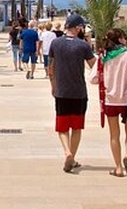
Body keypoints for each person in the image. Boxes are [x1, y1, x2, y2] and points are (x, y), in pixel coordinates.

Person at [48, 13, 96, 173]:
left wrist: (53, 86)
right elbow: (94, 66)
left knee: (62, 127)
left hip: (61, 92)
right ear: (77, 28)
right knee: (76, 127)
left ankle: (67, 152)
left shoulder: (55, 43)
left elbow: (51, 68)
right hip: (79, 92)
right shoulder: (83, 46)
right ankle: (72, 157)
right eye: (81, 27)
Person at [89, 28, 127, 177]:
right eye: (124, 37)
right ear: (120, 39)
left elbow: (93, 79)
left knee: (114, 135)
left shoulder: (103, 57)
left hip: (110, 100)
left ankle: (118, 168)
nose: (126, 40)